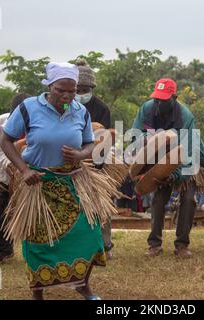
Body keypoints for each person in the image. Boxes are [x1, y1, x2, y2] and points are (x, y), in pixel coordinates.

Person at [1, 62, 107, 300]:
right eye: (61, 90)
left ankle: (82, 285)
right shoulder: (28, 108)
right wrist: (23, 170)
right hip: (37, 182)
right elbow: (6, 140)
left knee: (89, 235)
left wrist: (81, 154)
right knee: (38, 241)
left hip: (73, 181)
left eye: (72, 90)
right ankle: (38, 293)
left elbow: (90, 142)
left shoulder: (81, 110)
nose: (67, 95)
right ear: (49, 86)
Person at [132, 78, 204, 259]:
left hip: (186, 160)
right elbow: (135, 135)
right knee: (158, 199)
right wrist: (144, 142)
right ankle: (154, 244)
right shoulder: (147, 108)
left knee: (189, 199)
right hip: (160, 160)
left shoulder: (185, 117)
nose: (158, 103)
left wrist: (173, 175)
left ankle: (182, 245)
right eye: (156, 98)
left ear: (174, 97)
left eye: (163, 100)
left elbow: (189, 156)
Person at [75, 60, 115, 259]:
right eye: (78, 89)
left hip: (98, 164)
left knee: (102, 205)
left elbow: (105, 139)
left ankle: (106, 245)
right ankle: (80, 245)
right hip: (72, 163)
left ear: (92, 88)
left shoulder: (101, 109)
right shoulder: (67, 105)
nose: (81, 93)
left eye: (85, 89)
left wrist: (96, 165)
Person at [0, 93, 30, 264]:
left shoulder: (40, 124)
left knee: (30, 211)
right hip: (3, 174)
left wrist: (24, 167)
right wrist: (9, 164)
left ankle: (34, 249)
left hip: (30, 175)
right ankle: (3, 248)